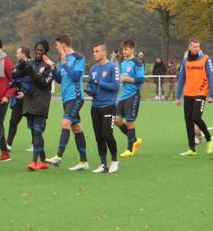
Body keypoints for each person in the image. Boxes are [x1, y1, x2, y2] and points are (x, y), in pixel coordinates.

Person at [46, 34, 89, 170]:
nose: (56, 47)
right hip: (66, 99)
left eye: (57, 45)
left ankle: (58, 157)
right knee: (76, 128)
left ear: (63, 44)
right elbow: (59, 79)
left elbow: (76, 77)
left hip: (75, 97)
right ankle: (84, 162)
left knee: (65, 122)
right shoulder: (61, 60)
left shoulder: (78, 58)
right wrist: (52, 67)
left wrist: (64, 63)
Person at [175, 38, 213, 156]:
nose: (197, 48)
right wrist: (178, 96)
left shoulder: (206, 59)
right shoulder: (186, 61)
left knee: (196, 117)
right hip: (188, 93)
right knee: (188, 121)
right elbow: (182, 78)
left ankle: (209, 138)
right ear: (189, 48)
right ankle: (192, 149)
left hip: (200, 93)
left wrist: (211, 94)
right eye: (194, 47)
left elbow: (211, 76)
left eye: (198, 46)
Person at [86, 44, 120, 173]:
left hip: (109, 107)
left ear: (104, 52)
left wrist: (100, 84)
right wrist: (90, 91)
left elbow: (116, 86)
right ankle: (103, 164)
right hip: (95, 107)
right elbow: (90, 84)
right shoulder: (93, 69)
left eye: (97, 51)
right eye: (93, 51)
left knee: (107, 134)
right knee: (98, 136)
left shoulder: (113, 67)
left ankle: (114, 161)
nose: (94, 53)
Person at [24, 40, 55, 171]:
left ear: (45, 52)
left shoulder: (49, 66)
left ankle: (33, 162)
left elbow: (45, 84)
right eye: (36, 49)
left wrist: (33, 74)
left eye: (41, 50)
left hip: (41, 103)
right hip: (28, 103)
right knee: (35, 132)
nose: (38, 51)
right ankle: (43, 161)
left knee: (37, 131)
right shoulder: (29, 63)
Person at [115, 39, 144, 157]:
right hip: (123, 96)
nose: (124, 51)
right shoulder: (123, 63)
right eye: (123, 49)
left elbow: (140, 79)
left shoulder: (137, 63)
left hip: (133, 95)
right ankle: (134, 139)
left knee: (129, 122)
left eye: (126, 49)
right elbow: (121, 78)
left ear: (132, 49)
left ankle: (129, 149)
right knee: (117, 121)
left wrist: (125, 79)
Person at [7, 47, 33, 153]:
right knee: (13, 121)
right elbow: (13, 79)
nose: (16, 55)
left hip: (29, 99)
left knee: (32, 123)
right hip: (17, 98)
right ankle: (8, 144)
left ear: (24, 54)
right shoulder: (17, 66)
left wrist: (26, 93)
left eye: (18, 53)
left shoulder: (32, 65)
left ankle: (34, 144)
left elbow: (33, 82)